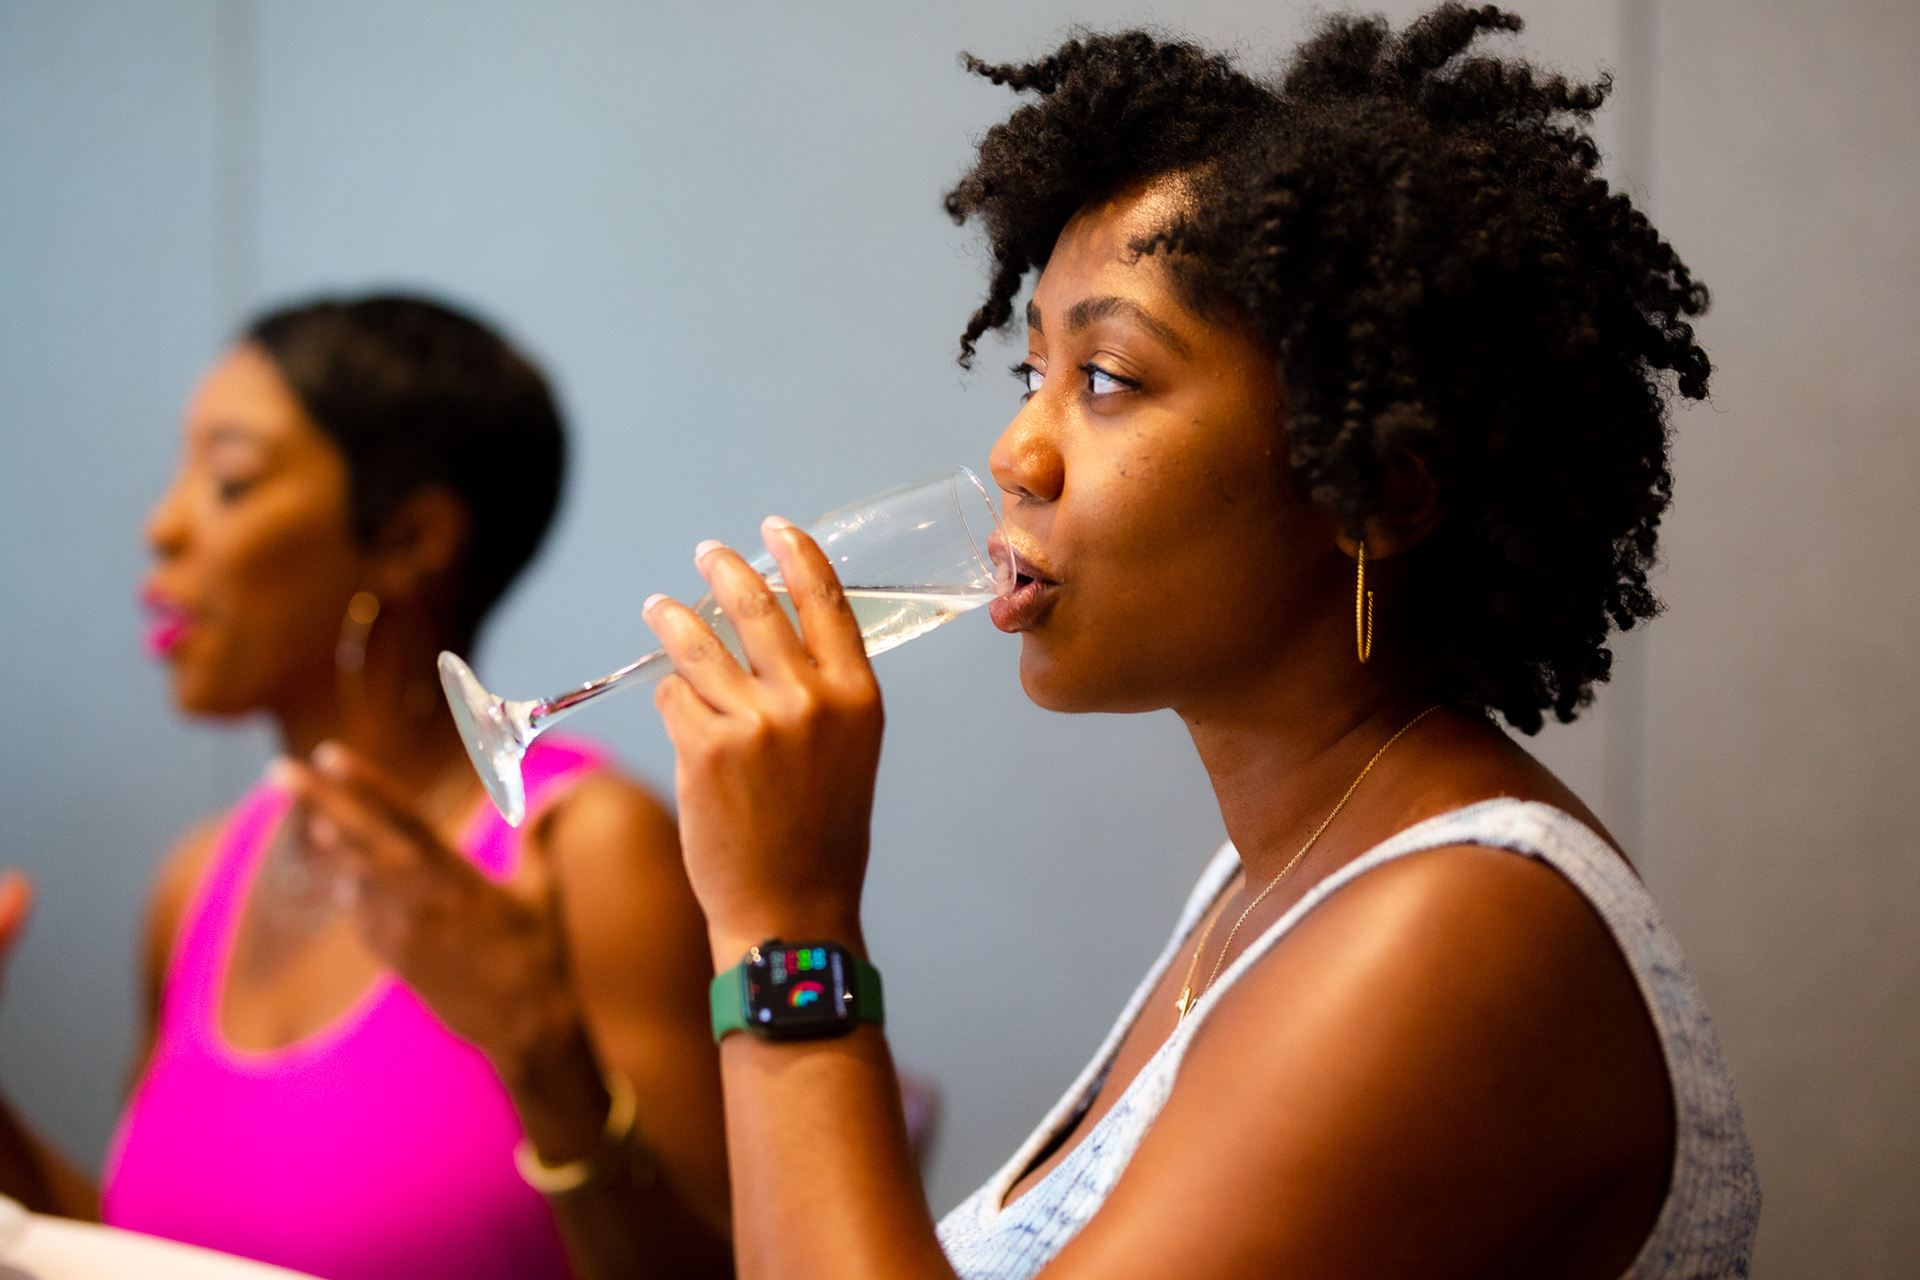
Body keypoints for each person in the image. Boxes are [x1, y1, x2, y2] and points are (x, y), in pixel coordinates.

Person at [539, 8, 1761, 1279]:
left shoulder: (1462, 929)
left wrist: (786, 926)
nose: (1018, 452)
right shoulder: (1267, 878)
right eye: (1033, 376)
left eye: (1109, 378)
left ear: (1377, 491)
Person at [0, 296, 731, 1280]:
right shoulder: (195, 882)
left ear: (412, 537)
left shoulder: (586, 851)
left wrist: (541, 1053)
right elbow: (154, 1259)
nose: (161, 526)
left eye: (230, 479)